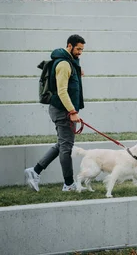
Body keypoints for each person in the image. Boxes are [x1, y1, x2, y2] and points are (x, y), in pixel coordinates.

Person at [25, 34, 86, 192]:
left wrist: (77, 71)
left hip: (62, 110)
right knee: (66, 147)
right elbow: (62, 91)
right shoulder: (64, 64)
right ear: (69, 46)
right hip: (63, 111)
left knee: (62, 144)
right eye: (78, 49)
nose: (80, 52)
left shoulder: (69, 62)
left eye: (82, 49)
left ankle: (35, 171)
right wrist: (72, 111)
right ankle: (68, 184)